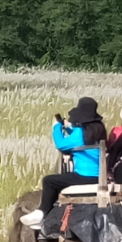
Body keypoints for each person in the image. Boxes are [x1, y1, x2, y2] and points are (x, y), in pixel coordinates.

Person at [20, 97, 107, 228]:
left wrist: (57, 127)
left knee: (49, 181)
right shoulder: (98, 130)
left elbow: (60, 144)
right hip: (100, 176)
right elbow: (81, 139)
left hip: (84, 177)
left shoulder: (79, 133)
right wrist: (70, 128)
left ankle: (42, 212)